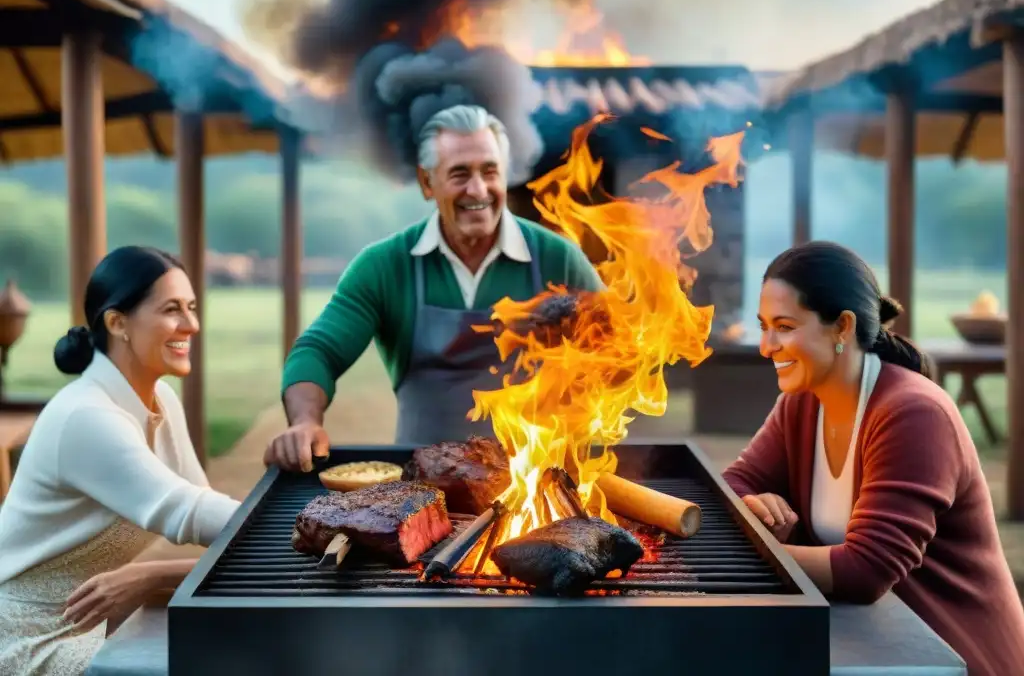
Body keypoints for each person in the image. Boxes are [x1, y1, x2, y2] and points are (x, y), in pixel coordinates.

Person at [722, 241, 1024, 676]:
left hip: (949, 655)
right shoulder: (804, 402)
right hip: (868, 645)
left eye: (784, 327)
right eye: (764, 326)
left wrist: (755, 550)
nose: (766, 347)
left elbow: (866, 570)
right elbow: (736, 483)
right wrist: (753, 508)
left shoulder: (914, 414)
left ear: (842, 327)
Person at [265, 104, 603, 470]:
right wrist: (305, 421)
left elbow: (619, 343)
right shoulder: (385, 265)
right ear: (427, 183)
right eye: (459, 174)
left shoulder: (558, 258)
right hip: (423, 487)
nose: (478, 189)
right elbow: (318, 351)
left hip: (535, 485)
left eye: (490, 172)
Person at [0, 246, 240, 675]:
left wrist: (151, 576)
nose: (192, 325)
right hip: (24, 641)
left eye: (192, 308)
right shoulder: (87, 416)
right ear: (117, 323)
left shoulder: (160, 399)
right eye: (172, 310)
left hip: (88, 626)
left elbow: (208, 514)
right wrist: (307, 524)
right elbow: (191, 513)